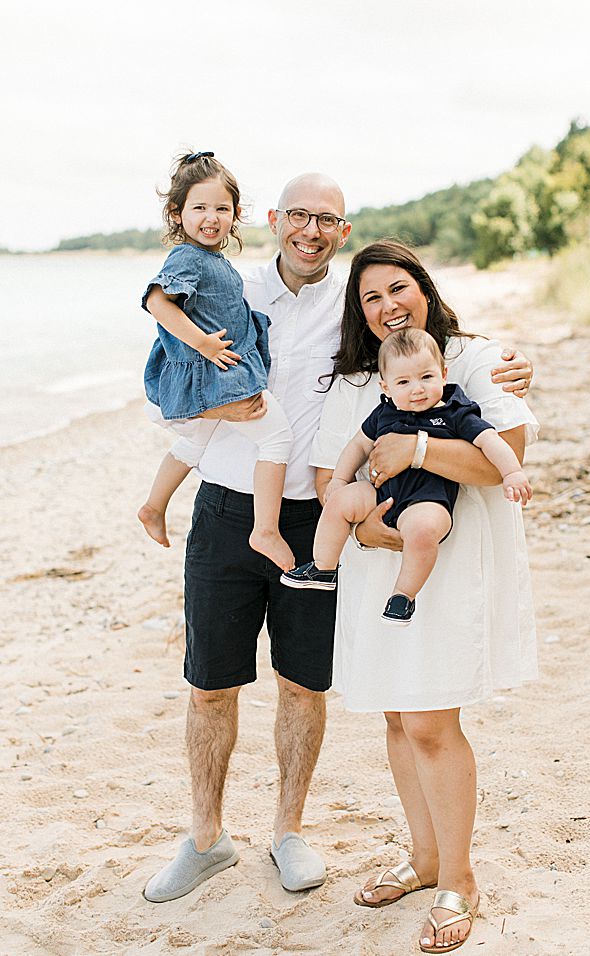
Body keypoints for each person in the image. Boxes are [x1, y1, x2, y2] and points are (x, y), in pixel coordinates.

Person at [142, 177, 533, 905]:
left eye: (326, 219)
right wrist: (214, 401)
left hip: (326, 526)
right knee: (212, 687)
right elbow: (167, 373)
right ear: (272, 220)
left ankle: (291, 833)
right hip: (231, 508)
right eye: (298, 215)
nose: (310, 230)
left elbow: (452, 383)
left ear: (342, 231)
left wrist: (498, 375)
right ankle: (205, 839)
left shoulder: (381, 327)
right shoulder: (229, 283)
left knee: (306, 686)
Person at [309, 240, 538, 953]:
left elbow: (505, 454)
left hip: (446, 565)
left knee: (434, 724)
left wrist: (411, 451)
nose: (386, 306)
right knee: (398, 722)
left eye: (398, 288)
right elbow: (329, 478)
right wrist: (369, 530)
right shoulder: (353, 382)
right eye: (370, 297)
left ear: (425, 290)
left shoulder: (471, 358)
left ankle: (460, 878)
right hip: (380, 566)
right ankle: (426, 855)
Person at [282, 326, 532, 625]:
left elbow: (490, 440)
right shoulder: (384, 412)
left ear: (443, 374)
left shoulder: (455, 412)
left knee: (424, 531)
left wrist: (512, 472)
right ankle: (323, 567)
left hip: (427, 500)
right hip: (382, 493)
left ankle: (403, 595)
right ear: (386, 387)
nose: (417, 389)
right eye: (404, 381)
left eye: (426, 377)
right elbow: (357, 446)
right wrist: (338, 480)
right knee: (341, 501)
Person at [137, 151, 295, 572]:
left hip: (221, 369)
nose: (212, 217)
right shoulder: (187, 257)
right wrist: (204, 345)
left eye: (221, 208)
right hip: (218, 373)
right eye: (199, 207)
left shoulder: (212, 259)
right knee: (277, 438)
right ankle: (265, 529)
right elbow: (157, 302)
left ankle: (154, 506)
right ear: (177, 213)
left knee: (195, 441)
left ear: (236, 213)